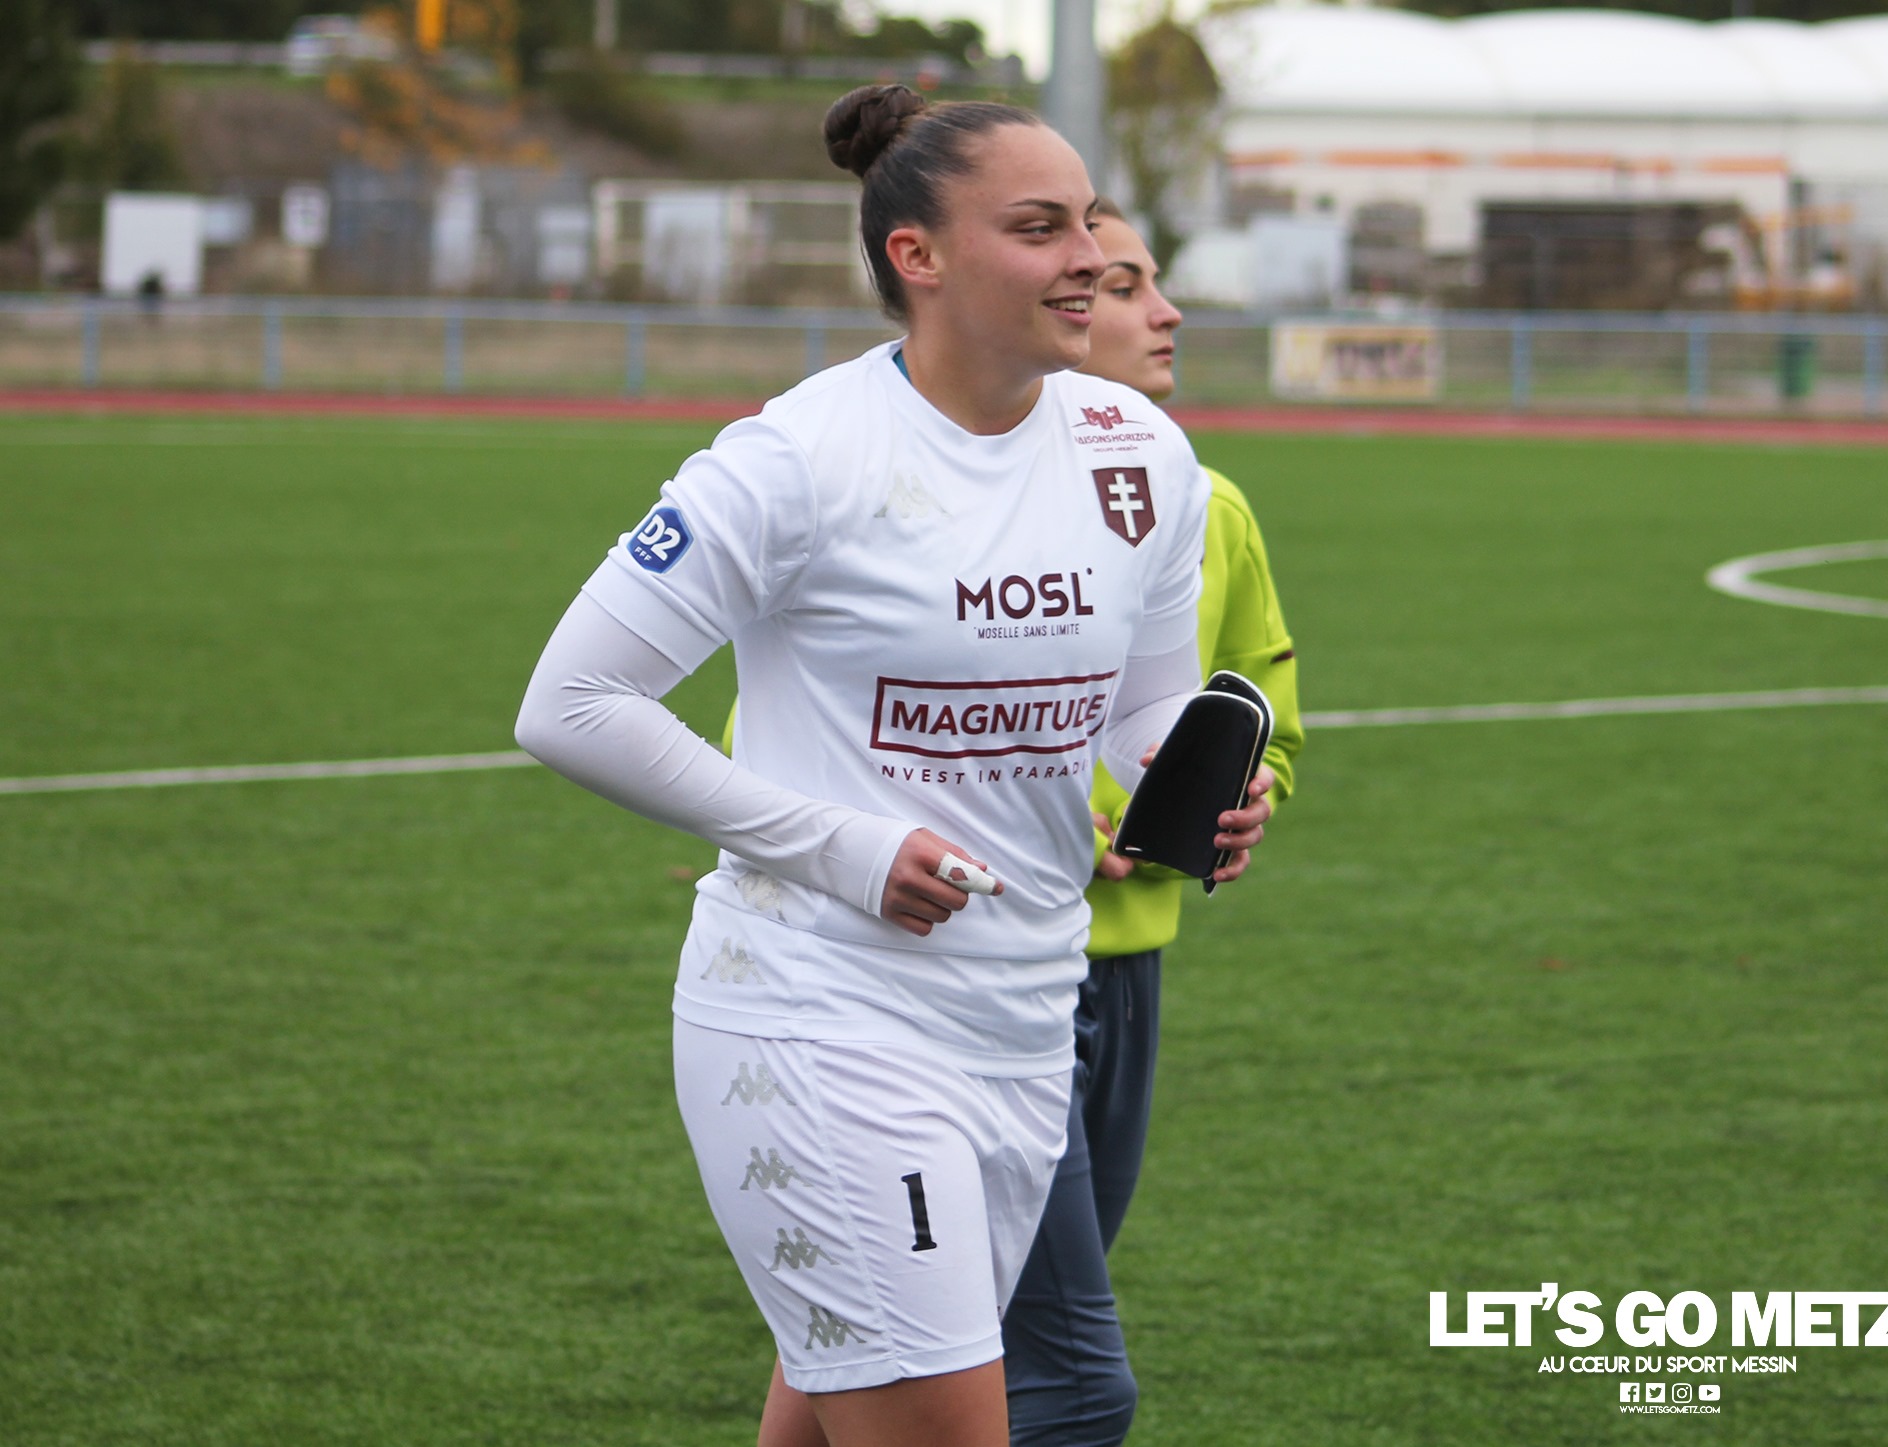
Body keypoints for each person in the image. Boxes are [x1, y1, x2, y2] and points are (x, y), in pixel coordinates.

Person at [513, 86, 1274, 1447]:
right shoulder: (794, 459)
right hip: (822, 1017)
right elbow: (570, 702)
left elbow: (1142, 705)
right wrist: (846, 850)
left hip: (1027, 1018)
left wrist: (1195, 777)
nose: (1087, 260)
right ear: (916, 255)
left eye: (1088, 223)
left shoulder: (1141, 456)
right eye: (1038, 229)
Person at [1000, 202, 1305, 1447]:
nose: (1163, 312)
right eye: (1123, 285)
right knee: (1068, 1379)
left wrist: (1249, 790)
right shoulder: (943, 492)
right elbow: (791, 732)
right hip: (976, 970)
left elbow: (1260, 712)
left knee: (947, 1336)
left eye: (1147, 281)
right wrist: (1038, 825)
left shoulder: (1204, 503)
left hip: (1126, 975)